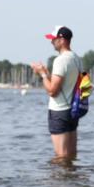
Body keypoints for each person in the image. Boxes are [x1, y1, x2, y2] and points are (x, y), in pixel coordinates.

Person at [31, 26, 83, 161]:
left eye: (53, 39)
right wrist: (46, 72)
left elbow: (53, 91)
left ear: (62, 40)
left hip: (59, 111)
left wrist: (42, 74)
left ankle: (58, 182)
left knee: (61, 157)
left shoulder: (60, 60)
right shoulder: (77, 59)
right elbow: (63, 84)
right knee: (71, 155)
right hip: (73, 110)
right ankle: (71, 180)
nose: (51, 42)